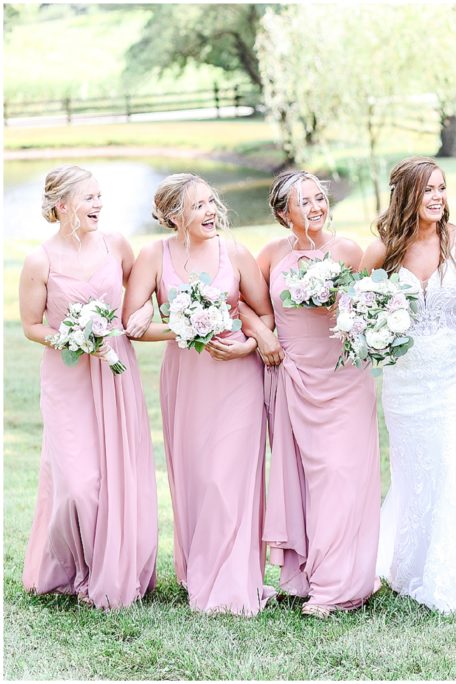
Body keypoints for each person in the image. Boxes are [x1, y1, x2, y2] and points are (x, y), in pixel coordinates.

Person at [361, 156, 456, 613]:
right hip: (405, 378)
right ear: (407, 194)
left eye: (442, 189)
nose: (437, 198)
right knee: (416, 470)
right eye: (428, 190)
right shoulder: (383, 250)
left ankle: (454, 575)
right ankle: (414, 565)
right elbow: (354, 309)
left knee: (453, 461)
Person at [123, 173, 274, 615]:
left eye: (211, 202)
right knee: (199, 476)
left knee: (230, 477)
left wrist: (247, 345)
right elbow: (134, 322)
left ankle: (234, 581)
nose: (210, 211)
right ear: (175, 216)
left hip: (238, 377)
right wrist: (180, 327)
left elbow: (263, 314)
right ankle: (202, 571)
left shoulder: (236, 252)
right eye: (197, 206)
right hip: (187, 380)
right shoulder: (154, 255)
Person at [20, 165, 158, 609]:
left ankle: (112, 569)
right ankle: (76, 567)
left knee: (118, 472)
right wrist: (73, 338)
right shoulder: (39, 260)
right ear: (62, 206)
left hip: (115, 370)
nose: (99, 204)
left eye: (101, 196)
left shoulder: (116, 244)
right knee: (79, 483)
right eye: (90, 198)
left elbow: (142, 296)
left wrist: (143, 317)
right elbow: (30, 325)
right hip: (68, 375)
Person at [250, 171, 381, 618]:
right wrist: (261, 335)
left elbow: (368, 307)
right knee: (303, 479)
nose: (315, 207)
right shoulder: (268, 255)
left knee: (340, 476)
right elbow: (247, 304)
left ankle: (337, 586)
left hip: (343, 378)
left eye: (320, 198)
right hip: (293, 377)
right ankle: (305, 576)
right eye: (303, 201)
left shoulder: (348, 251)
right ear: (283, 212)